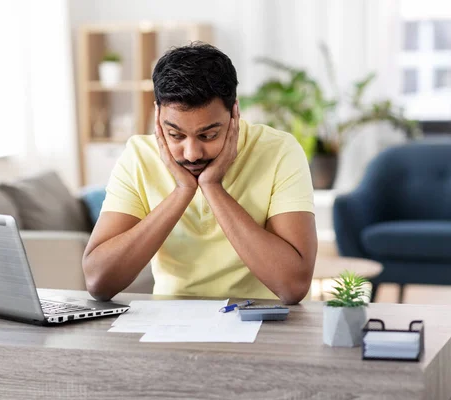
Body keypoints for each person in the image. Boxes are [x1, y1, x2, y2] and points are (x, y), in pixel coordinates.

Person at [82, 42, 317, 304]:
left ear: (234, 114)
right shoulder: (139, 155)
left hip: (263, 320)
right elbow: (98, 282)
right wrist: (182, 192)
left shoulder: (279, 151)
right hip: (170, 322)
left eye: (208, 135)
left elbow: (293, 285)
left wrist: (213, 188)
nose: (192, 153)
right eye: (175, 135)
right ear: (158, 116)